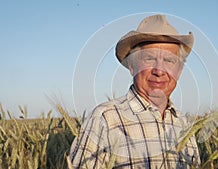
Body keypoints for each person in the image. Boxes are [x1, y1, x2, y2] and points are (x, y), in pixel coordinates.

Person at [69, 14, 200, 169]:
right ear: (132, 66)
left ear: (178, 70)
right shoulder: (105, 118)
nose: (159, 70)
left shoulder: (184, 124)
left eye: (169, 60)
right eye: (149, 59)